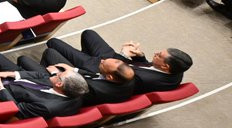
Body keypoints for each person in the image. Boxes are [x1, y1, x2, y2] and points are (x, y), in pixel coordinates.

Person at [38, 29, 191, 93]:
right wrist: (139, 56)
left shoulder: (144, 78)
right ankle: (82, 58)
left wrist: (123, 55)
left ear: (165, 66)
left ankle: (76, 64)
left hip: (104, 68)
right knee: (89, 34)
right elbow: (145, 66)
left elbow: (121, 73)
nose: (156, 53)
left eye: (159, 56)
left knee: (54, 43)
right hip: (116, 62)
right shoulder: (176, 71)